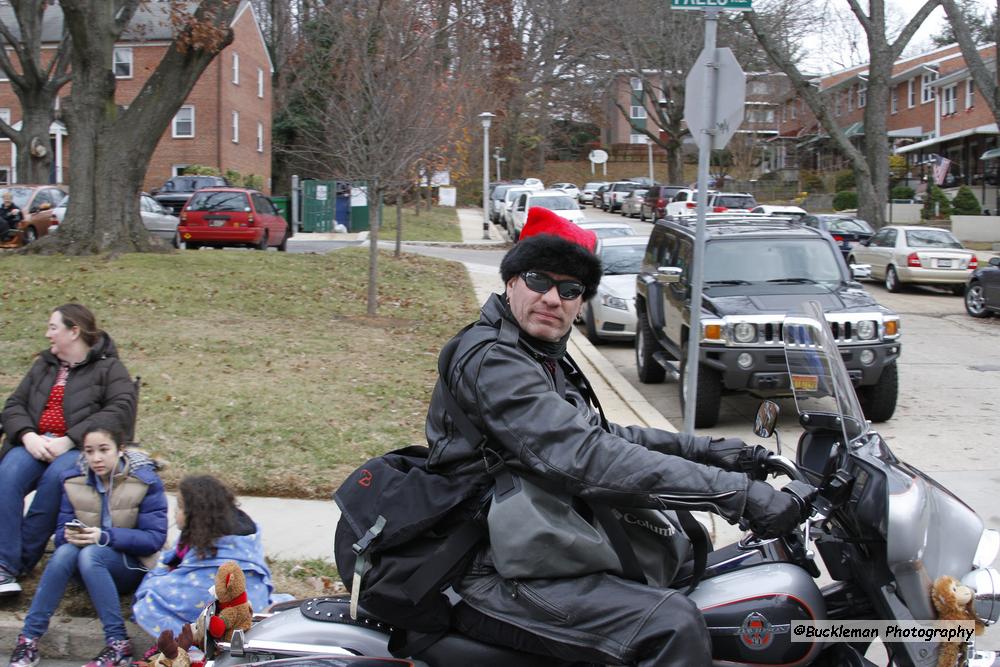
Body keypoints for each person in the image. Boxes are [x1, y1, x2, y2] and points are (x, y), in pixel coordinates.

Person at [424, 207, 809, 666]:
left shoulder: (534, 354)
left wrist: (716, 453)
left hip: (535, 540)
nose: (553, 298)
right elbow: (585, 456)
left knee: (690, 565)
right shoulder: (495, 360)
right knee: (674, 624)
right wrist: (738, 496)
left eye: (571, 289)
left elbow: (602, 433)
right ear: (510, 282)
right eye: (539, 280)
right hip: (487, 565)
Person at [0, 304, 138, 596]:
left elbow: (121, 409)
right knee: (8, 474)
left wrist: (71, 439)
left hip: (78, 447)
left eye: (53, 327)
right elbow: (14, 405)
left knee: (57, 480)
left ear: (74, 331)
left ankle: (17, 565)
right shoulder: (45, 364)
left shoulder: (108, 367)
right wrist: (27, 436)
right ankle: (4, 563)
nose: (47, 333)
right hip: (36, 442)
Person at [6, 425, 167, 667]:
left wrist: (104, 536)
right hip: (86, 565)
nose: (96, 458)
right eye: (89, 451)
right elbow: (61, 532)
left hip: (130, 567)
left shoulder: (144, 481)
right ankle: (29, 639)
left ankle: (118, 643)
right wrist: (71, 536)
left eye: (104, 450)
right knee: (64, 552)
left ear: (120, 449)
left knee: (92, 553)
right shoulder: (73, 479)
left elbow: (153, 539)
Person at [132, 474, 274, 639]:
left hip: (237, 618)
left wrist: (155, 578)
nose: (175, 513)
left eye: (179, 507)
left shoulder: (217, 554)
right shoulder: (216, 533)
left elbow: (180, 591)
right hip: (256, 605)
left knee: (149, 603)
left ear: (196, 515)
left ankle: (187, 646)